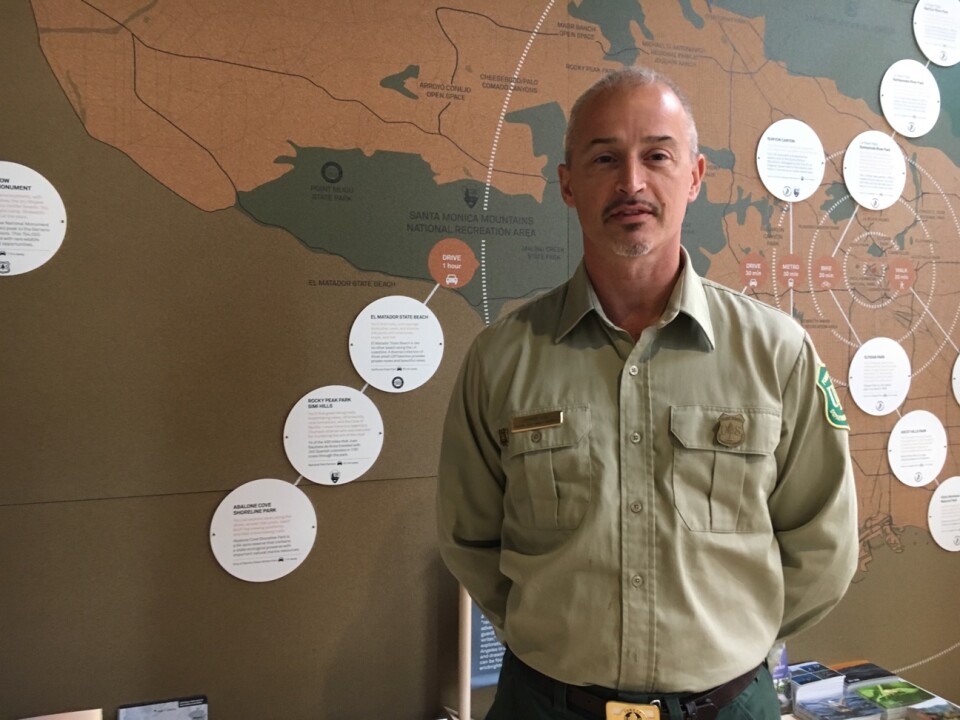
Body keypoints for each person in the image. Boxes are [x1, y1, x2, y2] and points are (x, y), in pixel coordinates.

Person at [436, 66, 858, 720]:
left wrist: (728, 640)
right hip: (545, 705)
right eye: (605, 158)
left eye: (656, 155)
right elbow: (470, 539)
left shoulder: (777, 353)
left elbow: (823, 546)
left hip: (728, 706)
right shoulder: (502, 358)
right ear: (568, 184)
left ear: (693, 176)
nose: (631, 182)